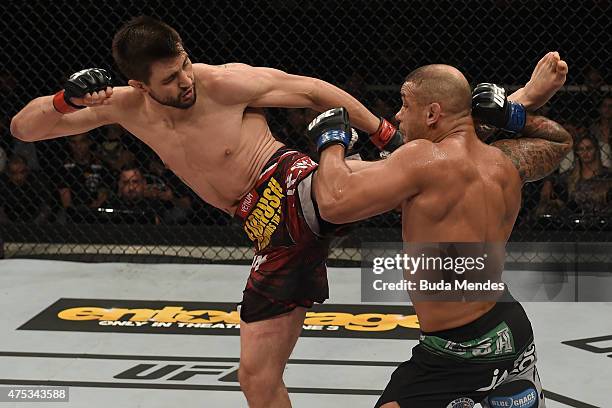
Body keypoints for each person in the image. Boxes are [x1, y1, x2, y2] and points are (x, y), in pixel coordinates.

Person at [9, 14, 564, 405]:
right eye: (170, 79)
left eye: (184, 66)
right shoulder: (124, 107)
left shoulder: (223, 82)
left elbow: (313, 89)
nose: (185, 82)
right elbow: (24, 128)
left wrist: (381, 132)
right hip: (262, 225)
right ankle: (512, 107)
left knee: (407, 172)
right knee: (256, 378)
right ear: (138, 84)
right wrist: (65, 99)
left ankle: (508, 107)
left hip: (286, 185)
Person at [310, 58, 571, 406]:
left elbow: (332, 201)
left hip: (459, 349)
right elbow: (559, 141)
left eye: (405, 105)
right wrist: (512, 113)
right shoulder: (505, 161)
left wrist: (331, 140)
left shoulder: (422, 158)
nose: (399, 115)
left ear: (432, 113)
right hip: (509, 328)